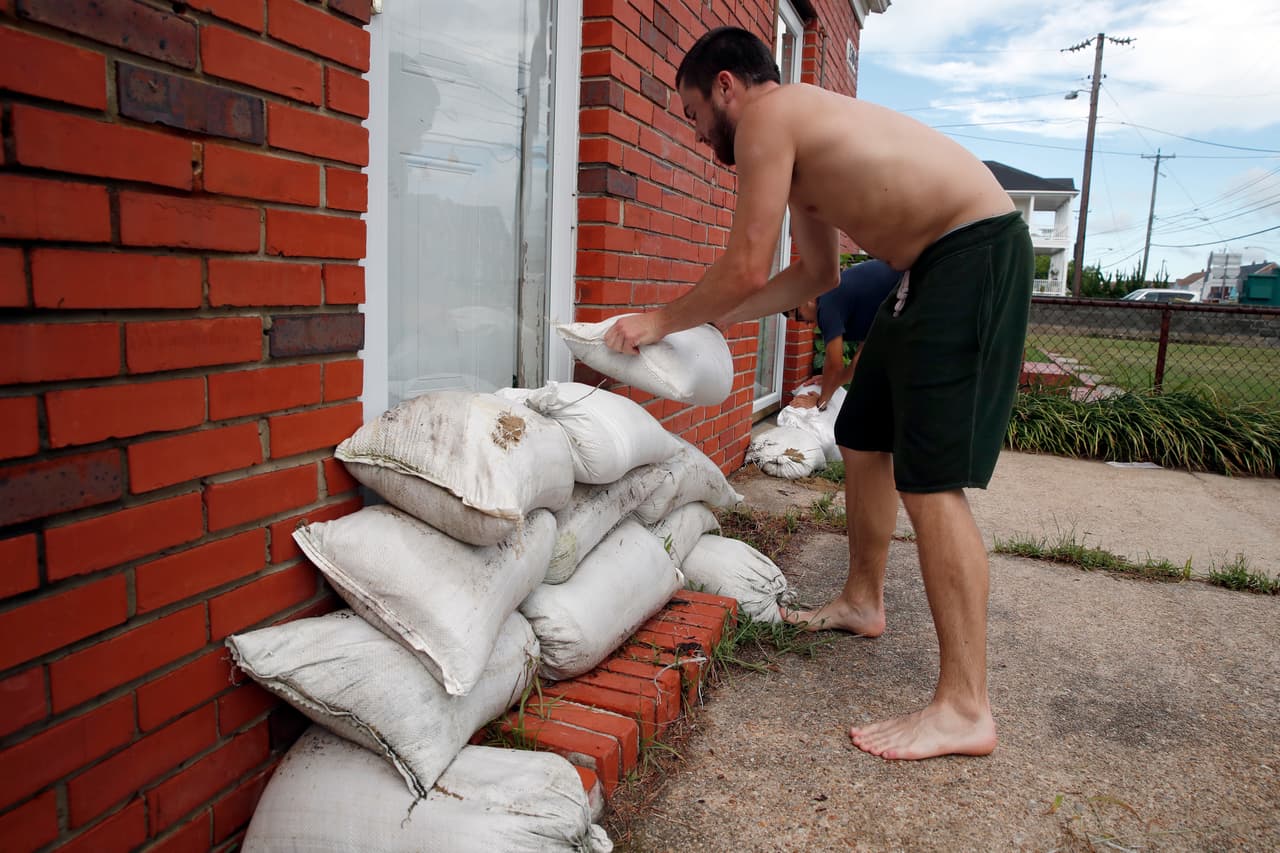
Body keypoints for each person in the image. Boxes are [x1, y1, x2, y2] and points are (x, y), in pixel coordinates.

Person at [602, 26, 1033, 761]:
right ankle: (864, 600)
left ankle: (965, 705)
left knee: (931, 478)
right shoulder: (802, 148)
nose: (698, 130)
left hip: (972, 251)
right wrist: (706, 323)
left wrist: (660, 320)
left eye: (694, 112)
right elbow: (816, 276)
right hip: (925, 268)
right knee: (863, 432)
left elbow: (742, 264)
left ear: (727, 87)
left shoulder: (771, 118)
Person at [787, 259, 901, 413]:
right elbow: (859, 361)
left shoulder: (827, 304)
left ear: (803, 301)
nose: (807, 324)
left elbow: (835, 364)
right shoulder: (846, 298)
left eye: (800, 317)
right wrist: (832, 381)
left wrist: (821, 402)